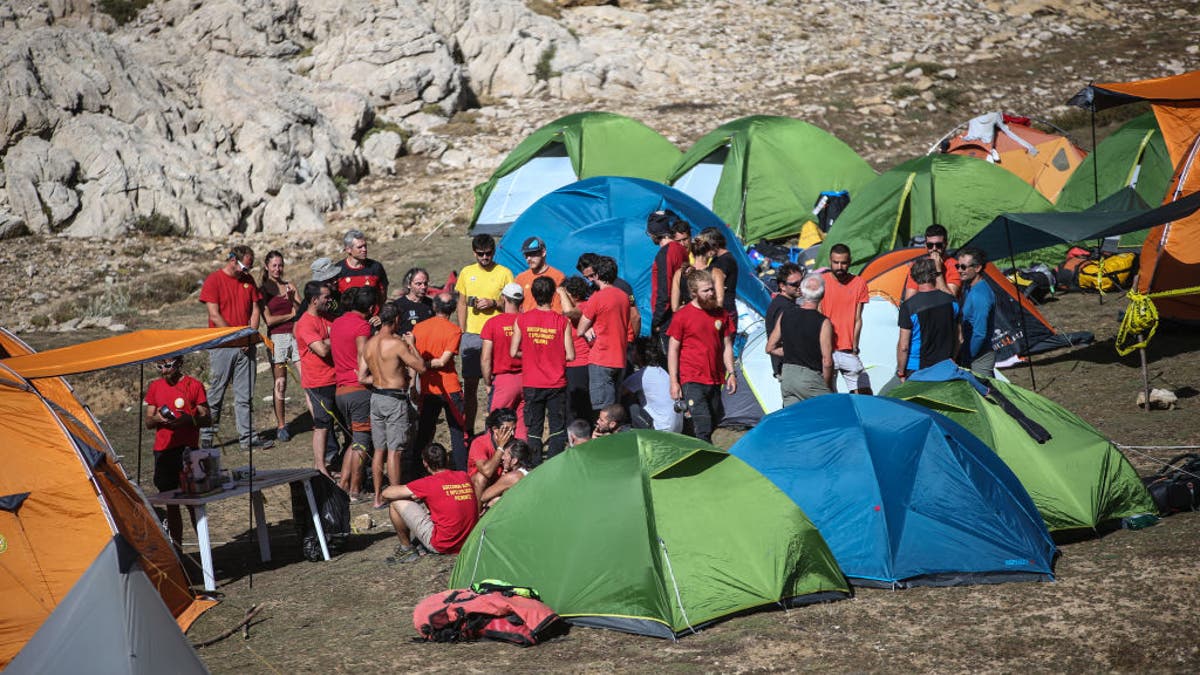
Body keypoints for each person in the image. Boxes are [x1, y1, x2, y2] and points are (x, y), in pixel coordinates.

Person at [199, 244, 268, 451]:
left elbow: (255, 310)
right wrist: (236, 337)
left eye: (249, 268)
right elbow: (214, 315)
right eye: (245, 267)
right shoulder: (214, 281)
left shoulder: (248, 281)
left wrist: (249, 335)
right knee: (216, 394)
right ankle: (207, 437)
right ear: (232, 261)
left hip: (246, 345)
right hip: (223, 346)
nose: (247, 272)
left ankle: (247, 438)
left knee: (245, 395)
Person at [359, 302, 427, 508]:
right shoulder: (397, 344)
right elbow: (421, 367)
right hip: (394, 399)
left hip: (376, 397)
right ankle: (396, 495)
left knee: (379, 449)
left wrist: (382, 381)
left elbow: (362, 376)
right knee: (395, 451)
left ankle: (378, 496)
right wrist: (412, 344)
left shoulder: (369, 344)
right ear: (396, 320)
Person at [143, 356, 211, 545]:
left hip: (187, 450)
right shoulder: (155, 386)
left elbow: (207, 418)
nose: (163, 371)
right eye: (160, 367)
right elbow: (148, 421)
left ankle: (205, 549)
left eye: (168, 366)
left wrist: (188, 420)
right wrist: (157, 419)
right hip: (163, 452)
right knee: (171, 505)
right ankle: (178, 551)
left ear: (179, 364)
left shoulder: (194, 385)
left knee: (192, 503)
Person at [454, 234, 514, 436]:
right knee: (470, 386)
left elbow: (511, 304)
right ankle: (469, 430)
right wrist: (462, 332)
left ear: (493, 252)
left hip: (497, 336)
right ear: (474, 253)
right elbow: (461, 303)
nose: (485, 257)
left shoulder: (504, 273)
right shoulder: (466, 272)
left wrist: (493, 303)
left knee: (496, 385)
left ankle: (496, 429)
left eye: (488, 254)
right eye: (480, 254)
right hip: (472, 335)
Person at [667, 269, 736, 443]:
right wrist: (674, 381)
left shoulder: (721, 314)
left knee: (714, 423)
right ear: (694, 293)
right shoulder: (682, 316)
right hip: (692, 378)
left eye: (712, 288)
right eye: (706, 290)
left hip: (714, 378)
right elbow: (673, 350)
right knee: (703, 426)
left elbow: (727, 346)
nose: (711, 293)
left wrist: (732, 373)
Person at [381, 443, 478, 564]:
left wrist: (411, 494)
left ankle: (406, 549)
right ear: (447, 458)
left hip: (443, 545)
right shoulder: (464, 476)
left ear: (425, 463)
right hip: (469, 541)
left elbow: (386, 493)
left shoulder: (427, 483)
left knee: (396, 503)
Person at [512, 276, 573, 463]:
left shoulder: (521, 320)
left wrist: (530, 354)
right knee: (557, 427)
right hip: (556, 382)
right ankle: (555, 464)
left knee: (534, 429)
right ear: (554, 295)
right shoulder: (562, 322)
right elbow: (570, 355)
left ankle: (534, 465)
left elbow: (514, 351)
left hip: (532, 382)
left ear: (533, 294)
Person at [412, 292, 468, 473]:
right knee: (458, 432)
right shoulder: (454, 330)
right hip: (450, 387)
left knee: (424, 431)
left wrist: (420, 369)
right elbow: (443, 361)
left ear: (434, 307)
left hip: (428, 387)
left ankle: (417, 469)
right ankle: (461, 470)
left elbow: (414, 360)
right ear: (452, 310)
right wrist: (427, 364)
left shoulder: (418, 328)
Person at [331, 286, 377, 501]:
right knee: (362, 441)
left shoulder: (338, 322)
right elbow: (362, 355)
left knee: (354, 439)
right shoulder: (362, 326)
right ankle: (356, 490)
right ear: (370, 308)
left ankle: (343, 485)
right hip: (358, 390)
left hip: (340, 390)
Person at [575, 256, 631, 412]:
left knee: (603, 411)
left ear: (597, 275)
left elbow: (580, 329)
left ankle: (603, 436)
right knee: (614, 408)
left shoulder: (597, 298)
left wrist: (587, 330)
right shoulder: (624, 297)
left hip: (601, 358)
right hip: (619, 358)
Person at [767, 274, 834, 405]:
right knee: (830, 414)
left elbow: (770, 348)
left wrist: (793, 353)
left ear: (802, 292)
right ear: (823, 294)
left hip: (787, 376)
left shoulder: (785, 314)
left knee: (794, 421)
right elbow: (827, 362)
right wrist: (826, 385)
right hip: (810, 378)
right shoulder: (823, 322)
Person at [295, 281, 338, 476]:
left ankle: (336, 462)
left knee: (339, 424)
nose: (330, 300)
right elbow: (321, 349)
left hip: (334, 377)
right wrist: (332, 339)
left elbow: (338, 335)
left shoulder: (327, 317)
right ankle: (320, 466)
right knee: (322, 425)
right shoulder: (305, 323)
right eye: (326, 297)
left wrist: (330, 339)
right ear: (314, 300)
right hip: (318, 381)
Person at [259, 251, 302, 442]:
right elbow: (268, 320)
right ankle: (282, 425)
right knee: (280, 382)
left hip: (295, 336)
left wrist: (292, 301)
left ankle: (319, 417)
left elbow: (301, 311)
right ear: (267, 266)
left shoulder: (290, 285)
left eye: (280, 265)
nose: (278, 269)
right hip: (277, 339)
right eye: (274, 265)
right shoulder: (262, 291)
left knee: (307, 377)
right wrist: (291, 314)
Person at [897, 257, 962, 381]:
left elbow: (903, 346)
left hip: (917, 368)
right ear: (935, 275)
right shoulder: (952, 301)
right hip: (945, 366)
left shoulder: (908, 307)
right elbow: (960, 339)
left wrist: (901, 372)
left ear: (914, 278)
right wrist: (952, 360)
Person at [821, 244, 872, 394]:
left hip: (848, 349)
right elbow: (817, 316)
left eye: (843, 263)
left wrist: (854, 346)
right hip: (827, 350)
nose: (839, 266)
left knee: (864, 394)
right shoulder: (821, 281)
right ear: (830, 261)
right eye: (836, 262)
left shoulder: (859, 283)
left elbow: (858, 318)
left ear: (849, 262)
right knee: (828, 395)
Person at [480, 283, 525, 436]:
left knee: (496, 424)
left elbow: (485, 359)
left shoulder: (493, 323)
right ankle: (521, 457)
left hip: (504, 380)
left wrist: (487, 383)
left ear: (503, 298)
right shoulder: (528, 321)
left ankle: (493, 457)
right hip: (528, 378)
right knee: (522, 425)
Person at [623, 338, 684, 432]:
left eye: (633, 350)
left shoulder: (641, 375)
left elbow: (620, 392)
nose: (631, 354)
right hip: (678, 428)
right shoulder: (663, 371)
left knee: (631, 407)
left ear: (639, 355)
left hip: (662, 429)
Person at [955, 247, 997, 378]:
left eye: (963, 267)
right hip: (974, 354)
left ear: (978, 268)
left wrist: (967, 356)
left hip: (979, 358)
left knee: (987, 395)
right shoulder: (970, 288)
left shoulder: (980, 295)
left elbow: (980, 333)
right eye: (958, 266)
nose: (959, 270)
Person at [648, 210, 690, 340]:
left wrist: (657, 321)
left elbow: (664, 289)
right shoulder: (681, 249)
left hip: (669, 316)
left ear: (655, 234)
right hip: (681, 309)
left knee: (669, 357)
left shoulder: (665, 253)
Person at [559, 276, 593, 423]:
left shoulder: (584, 307)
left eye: (566, 295)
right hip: (568, 364)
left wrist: (561, 292)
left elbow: (569, 312)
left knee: (579, 406)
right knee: (568, 405)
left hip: (580, 364)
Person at [766, 263, 804, 379]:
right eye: (795, 284)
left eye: (802, 282)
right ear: (782, 286)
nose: (800, 287)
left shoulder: (779, 303)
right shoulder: (786, 308)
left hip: (784, 367)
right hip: (790, 369)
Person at [903, 224, 960, 300]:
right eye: (930, 245)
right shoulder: (918, 266)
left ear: (945, 244)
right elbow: (909, 300)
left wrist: (938, 270)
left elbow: (950, 299)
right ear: (925, 245)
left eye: (938, 245)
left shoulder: (955, 265)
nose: (934, 249)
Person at [471, 439, 533, 510]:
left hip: (520, 511)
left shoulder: (513, 477)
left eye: (505, 455)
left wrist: (503, 477)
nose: (502, 458)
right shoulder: (531, 472)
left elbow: (484, 496)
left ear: (514, 461)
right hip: (529, 507)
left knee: (494, 501)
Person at [334, 229, 389, 309]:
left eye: (365, 246)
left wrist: (378, 315)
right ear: (348, 249)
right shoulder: (338, 270)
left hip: (371, 319)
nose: (364, 250)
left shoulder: (375, 267)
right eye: (360, 247)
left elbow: (382, 294)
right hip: (348, 318)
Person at [514, 236, 565, 313]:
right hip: (526, 323)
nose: (528, 259)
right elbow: (515, 306)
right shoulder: (520, 278)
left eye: (532, 254)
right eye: (526, 255)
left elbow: (558, 309)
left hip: (548, 323)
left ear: (543, 252)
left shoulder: (558, 277)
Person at [466, 408, 517, 482]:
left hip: (501, 483)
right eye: (507, 430)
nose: (512, 434)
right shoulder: (479, 443)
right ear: (495, 429)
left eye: (514, 429)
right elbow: (487, 472)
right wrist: (501, 448)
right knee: (481, 478)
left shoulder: (514, 443)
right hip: (481, 485)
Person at [393, 267, 434, 334]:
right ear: (409, 285)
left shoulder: (431, 304)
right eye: (418, 284)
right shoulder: (398, 305)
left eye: (425, 283)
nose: (423, 287)